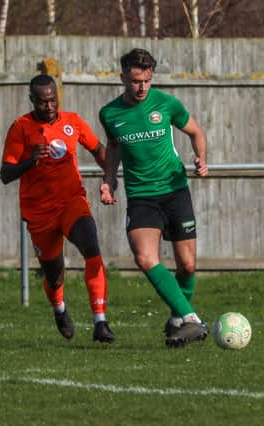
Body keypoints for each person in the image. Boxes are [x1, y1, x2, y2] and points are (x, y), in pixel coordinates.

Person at [98, 48, 209, 348]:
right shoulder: (110, 113)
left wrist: (201, 159)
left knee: (187, 266)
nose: (142, 87)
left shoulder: (167, 104)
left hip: (175, 191)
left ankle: (177, 322)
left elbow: (196, 132)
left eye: (147, 80)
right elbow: (114, 148)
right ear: (123, 77)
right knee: (145, 258)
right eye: (135, 81)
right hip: (141, 196)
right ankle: (190, 319)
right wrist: (109, 180)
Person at [0, 74, 115, 344]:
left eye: (53, 100)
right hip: (39, 213)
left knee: (91, 246)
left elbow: (99, 150)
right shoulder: (21, 128)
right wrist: (30, 161)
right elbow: (5, 173)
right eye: (43, 102)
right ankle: (59, 309)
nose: (49, 106)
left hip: (71, 202)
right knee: (54, 276)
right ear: (32, 100)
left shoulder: (72, 122)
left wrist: (111, 179)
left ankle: (100, 321)